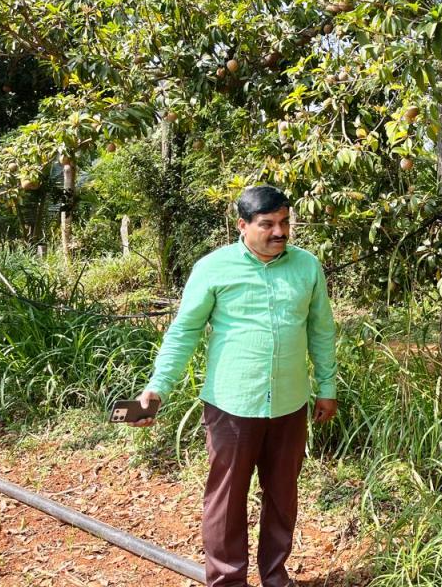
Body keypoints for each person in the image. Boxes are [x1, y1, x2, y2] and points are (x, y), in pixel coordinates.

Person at [129, 184, 338, 587]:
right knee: (226, 500)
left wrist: (326, 386)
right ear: (242, 225)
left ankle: (275, 576)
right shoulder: (214, 268)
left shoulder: (307, 266)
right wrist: (159, 386)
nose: (280, 232)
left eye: (284, 223)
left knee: (282, 498)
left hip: (290, 404)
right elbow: (184, 331)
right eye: (268, 225)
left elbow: (321, 330)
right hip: (231, 406)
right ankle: (227, 581)